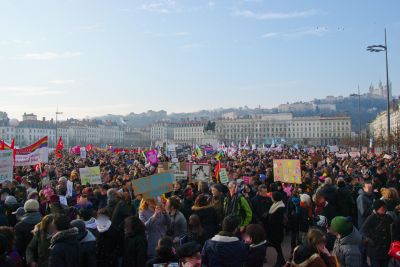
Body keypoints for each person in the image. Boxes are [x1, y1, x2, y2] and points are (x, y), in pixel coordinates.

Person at [361, 199, 393, 267]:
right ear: (377, 209)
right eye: (383, 208)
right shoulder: (371, 218)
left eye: (385, 208)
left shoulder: (388, 217)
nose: (385, 209)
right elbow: (364, 230)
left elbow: (393, 229)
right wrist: (372, 239)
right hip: (375, 251)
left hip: (386, 250)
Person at [265, 191, 286, 267]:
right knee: (277, 247)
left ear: (275, 198)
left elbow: (274, 221)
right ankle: (282, 261)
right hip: (275, 231)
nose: (271, 197)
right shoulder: (277, 205)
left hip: (277, 231)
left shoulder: (280, 208)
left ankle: (279, 263)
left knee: (277, 247)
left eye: (272, 197)